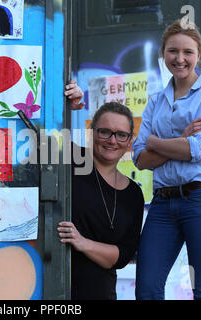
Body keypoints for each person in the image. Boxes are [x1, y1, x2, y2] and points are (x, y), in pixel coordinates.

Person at [132, 19, 201, 300]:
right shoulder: (155, 101)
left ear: (199, 55)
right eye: (173, 51)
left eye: (188, 52)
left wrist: (156, 142)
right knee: (147, 288)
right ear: (163, 53)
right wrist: (180, 139)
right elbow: (140, 158)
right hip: (163, 203)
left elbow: (198, 150)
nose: (180, 58)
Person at [59, 83, 145, 300]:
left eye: (121, 135)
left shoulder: (133, 194)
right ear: (91, 132)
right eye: (105, 132)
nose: (112, 141)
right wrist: (67, 107)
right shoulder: (70, 158)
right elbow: (43, 135)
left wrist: (83, 242)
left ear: (129, 142)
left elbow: (123, 255)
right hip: (53, 290)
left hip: (100, 294)